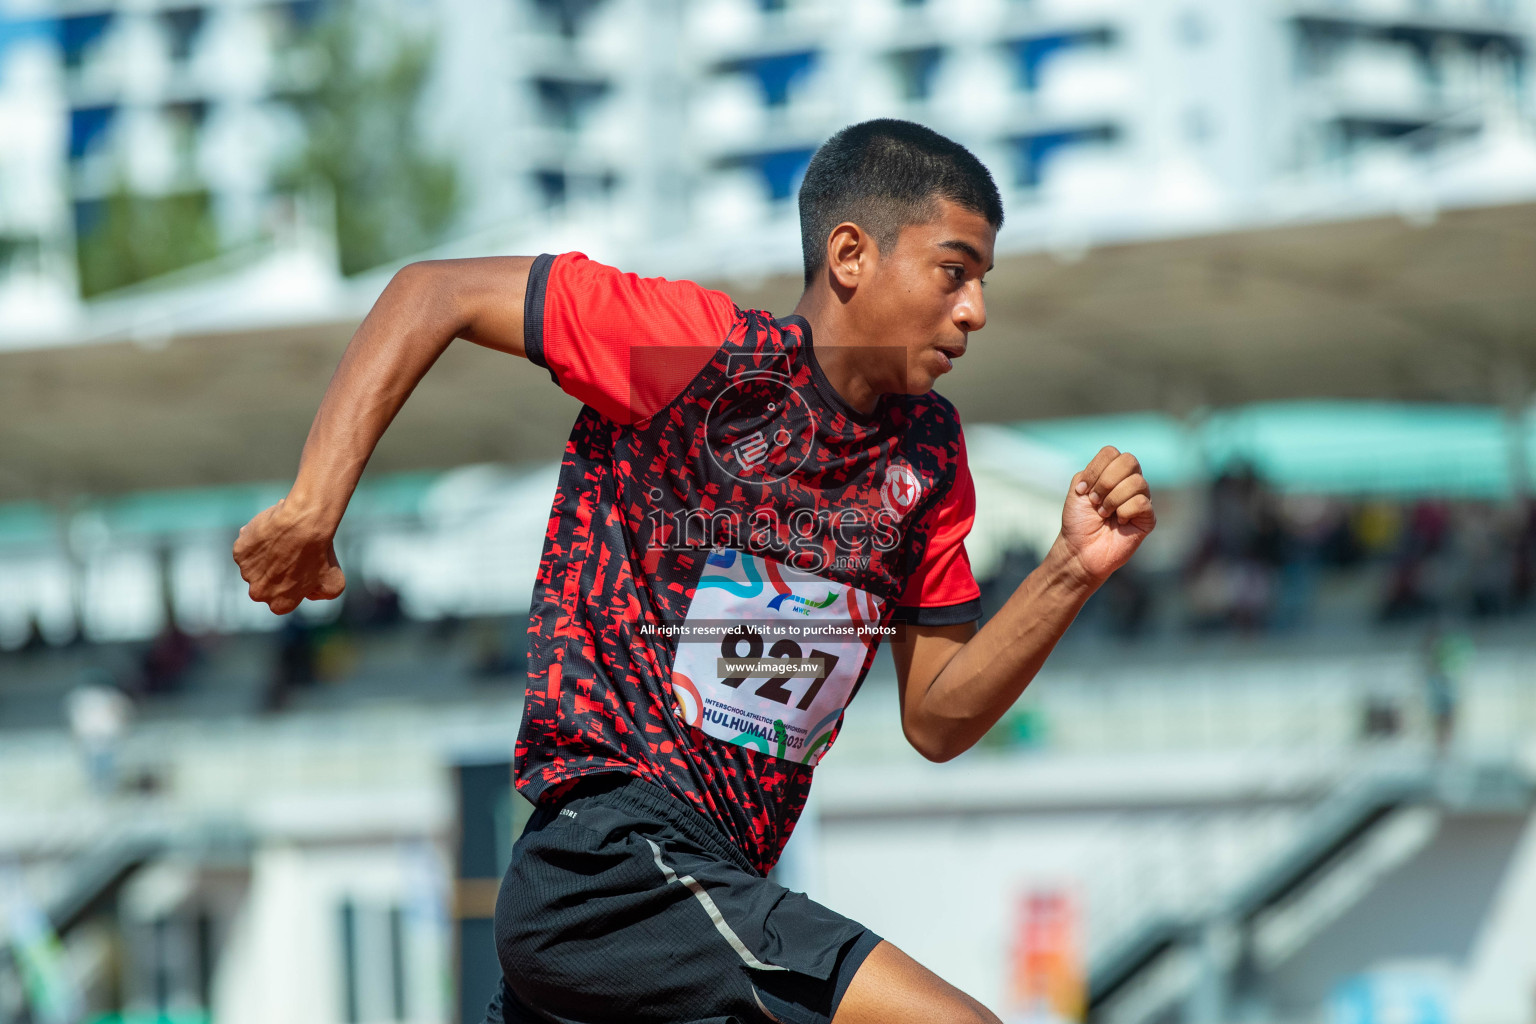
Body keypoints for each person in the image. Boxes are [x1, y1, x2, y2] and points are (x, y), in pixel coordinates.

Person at [233, 119, 1156, 1024]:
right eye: (954, 271)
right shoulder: (694, 352)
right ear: (850, 254)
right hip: (610, 866)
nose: (975, 311)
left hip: (700, 904)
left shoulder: (930, 454)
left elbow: (938, 720)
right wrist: (314, 506)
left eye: (983, 281)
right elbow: (432, 292)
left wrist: (1069, 569)